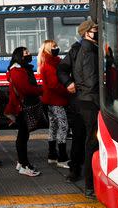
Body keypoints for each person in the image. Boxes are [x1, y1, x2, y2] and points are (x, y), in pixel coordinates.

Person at [71, 20, 99, 198]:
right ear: (86, 33)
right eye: (95, 30)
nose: (98, 32)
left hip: (86, 100)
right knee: (92, 142)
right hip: (90, 101)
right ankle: (90, 185)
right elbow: (91, 80)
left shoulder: (88, 48)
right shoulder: (88, 51)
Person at [5, 46, 43, 177]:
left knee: (23, 135)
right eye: (25, 53)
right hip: (22, 107)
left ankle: (21, 163)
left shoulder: (21, 69)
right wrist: (40, 91)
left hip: (23, 106)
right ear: (19, 56)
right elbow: (26, 89)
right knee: (22, 136)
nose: (29, 54)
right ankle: (24, 164)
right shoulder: (17, 70)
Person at [57, 30, 84, 184]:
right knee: (79, 137)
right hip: (80, 101)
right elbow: (61, 70)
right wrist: (68, 82)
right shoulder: (75, 50)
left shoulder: (100, 47)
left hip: (95, 100)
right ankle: (75, 169)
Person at [39, 40, 70, 167]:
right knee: (63, 126)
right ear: (48, 49)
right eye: (54, 47)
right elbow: (54, 85)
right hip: (56, 100)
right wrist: (68, 90)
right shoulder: (50, 65)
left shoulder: (48, 62)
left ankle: (52, 155)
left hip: (50, 100)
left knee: (53, 127)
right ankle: (62, 158)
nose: (57, 48)